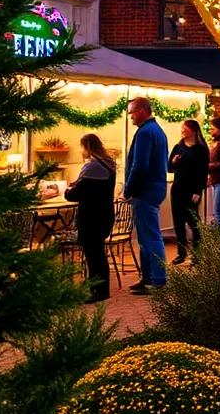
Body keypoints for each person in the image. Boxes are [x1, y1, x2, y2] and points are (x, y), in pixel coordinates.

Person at [123, 97, 169, 293]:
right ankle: (148, 277)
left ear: (142, 111)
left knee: (150, 237)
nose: (130, 117)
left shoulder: (145, 133)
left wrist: (128, 189)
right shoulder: (158, 131)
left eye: (131, 112)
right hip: (153, 189)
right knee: (145, 237)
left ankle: (157, 279)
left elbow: (139, 166)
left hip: (145, 191)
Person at [64, 133, 116, 303]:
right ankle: (98, 287)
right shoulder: (109, 164)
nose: (81, 151)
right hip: (105, 214)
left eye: (82, 147)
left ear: (88, 147)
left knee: (94, 255)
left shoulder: (92, 167)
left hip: (92, 217)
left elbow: (76, 194)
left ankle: (99, 290)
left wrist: (68, 190)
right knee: (98, 253)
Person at [168, 119, 209, 264]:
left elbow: (203, 172)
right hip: (178, 188)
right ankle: (181, 252)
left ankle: (197, 253)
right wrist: (173, 161)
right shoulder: (178, 147)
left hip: (192, 190)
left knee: (193, 221)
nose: (182, 130)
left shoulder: (201, 149)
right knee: (178, 222)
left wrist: (198, 191)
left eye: (184, 128)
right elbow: (169, 168)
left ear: (193, 130)